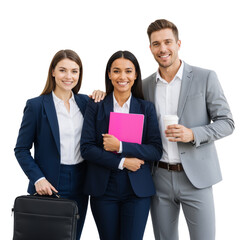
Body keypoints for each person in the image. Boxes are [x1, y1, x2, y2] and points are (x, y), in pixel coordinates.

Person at [142, 19, 235, 240]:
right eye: (156, 44)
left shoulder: (205, 77)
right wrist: (99, 93)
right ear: (150, 48)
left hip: (197, 178)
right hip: (159, 178)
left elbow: (227, 122)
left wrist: (193, 134)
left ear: (178, 43)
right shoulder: (144, 85)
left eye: (167, 42)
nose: (162, 49)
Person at [14, 49, 105, 239]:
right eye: (63, 70)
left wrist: (102, 94)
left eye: (74, 71)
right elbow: (21, 149)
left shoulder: (87, 102)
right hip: (49, 183)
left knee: (72, 235)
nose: (69, 76)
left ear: (80, 75)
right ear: (53, 72)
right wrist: (38, 178)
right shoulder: (36, 106)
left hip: (81, 181)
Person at [80, 50, 163, 240]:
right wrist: (122, 162)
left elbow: (156, 150)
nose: (122, 77)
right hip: (104, 189)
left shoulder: (146, 108)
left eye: (128, 71)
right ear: (109, 74)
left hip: (137, 190)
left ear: (135, 75)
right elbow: (86, 148)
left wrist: (121, 146)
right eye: (116, 71)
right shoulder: (96, 105)